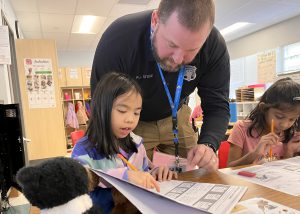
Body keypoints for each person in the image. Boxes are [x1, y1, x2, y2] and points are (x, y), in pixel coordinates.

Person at [91, 0, 230, 171]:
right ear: (155, 21)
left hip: (177, 115)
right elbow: (102, 105)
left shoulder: (214, 45)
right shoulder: (119, 39)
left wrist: (208, 144)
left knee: (196, 175)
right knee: (133, 181)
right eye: (172, 45)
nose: (178, 59)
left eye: (191, 50)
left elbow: (217, 106)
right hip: (134, 120)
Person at [72, 72, 176, 213]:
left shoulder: (137, 144)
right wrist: (124, 178)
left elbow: (142, 173)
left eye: (136, 113)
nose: (130, 119)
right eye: (122, 111)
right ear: (102, 109)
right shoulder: (85, 150)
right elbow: (77, 195)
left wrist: (155, 173)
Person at [227, 78, 300, 167]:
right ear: (264, 109)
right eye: (279, 117)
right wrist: (254, 153)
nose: (284, 125)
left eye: (292, 119)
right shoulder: (241, 128)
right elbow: (229, 167)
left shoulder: (291, 135)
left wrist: (289, 151)